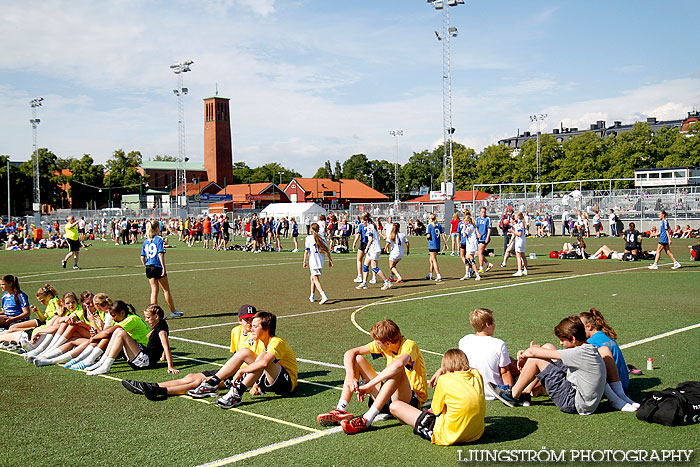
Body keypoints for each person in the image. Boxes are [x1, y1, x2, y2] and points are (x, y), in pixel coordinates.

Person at [123, 304, 263, 400]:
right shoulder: (236, 331)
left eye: (252, 319)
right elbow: (235, 355)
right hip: (231, 371)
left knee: (197, 382)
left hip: (245, 375)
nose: (250, 323)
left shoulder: (258, 334)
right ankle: (152, 385)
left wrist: (255, 383)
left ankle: (160, 391)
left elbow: (261, 363)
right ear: (240, 320)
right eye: (247, 320)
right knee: (190, 376)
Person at [316, 319, 427, 435]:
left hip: (410, 400)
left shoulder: (409, 345)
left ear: (388, 343)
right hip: (389, 395)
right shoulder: (385, 345)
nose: (376, 345)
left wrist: (371, 384)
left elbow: (399, 364)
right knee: (357, 359)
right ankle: (340, 409)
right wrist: (351, 375)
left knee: (397, 369)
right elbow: (350, 353)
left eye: (378, 342)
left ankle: (367, 419)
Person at [489, 315, 607, 415]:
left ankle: (512, 394)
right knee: (548, 346)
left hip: (573, 402)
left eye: (562, 340)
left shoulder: (578, 353)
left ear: (573, 339)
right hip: (583, 396)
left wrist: (523, 356)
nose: (561, 343)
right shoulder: (588, 348)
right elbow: (543, 351)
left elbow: (533, 353)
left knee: (535, 359)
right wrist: (532, 352)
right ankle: (525, 392)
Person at [187, 311, 298, 410]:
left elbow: (264, 363)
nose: (251, 329)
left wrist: (241, 371)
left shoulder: (276, 342)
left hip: (286, 384)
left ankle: (237, 393)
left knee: (262, 357)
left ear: (266, 328)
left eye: (255, 326)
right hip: (270, 379)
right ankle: (211, 383)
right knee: (244, 351)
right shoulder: (261, 342)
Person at [390, 349, 485, 446]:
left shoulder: (444, 380)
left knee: (395, 406)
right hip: (475, 435)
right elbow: (472, 369)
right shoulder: (477, 375)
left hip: (448, 436)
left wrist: (442, 371)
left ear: (446, 368)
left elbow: (435, 410)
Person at [456, 308, 514, 401]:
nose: (494, 325)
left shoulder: (464, 340)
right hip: (494, 393)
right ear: (487, 324)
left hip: (470, 391)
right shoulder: (499, 344)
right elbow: (505, 371)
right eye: (493, 322)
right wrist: (511, 392)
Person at [84, 301, 154, 375]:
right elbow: (107, 332)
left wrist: (93, 338)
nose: (113, 319)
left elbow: (107, 333)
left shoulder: (132, 319)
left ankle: (106, 366)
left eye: (114, 316)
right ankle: (102, 362)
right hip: (137, 357)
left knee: (120, 332)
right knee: (117, 331)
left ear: (122, 313)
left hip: (144, 360)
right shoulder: (123, 319)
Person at [141, 220, 183, 318]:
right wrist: (164, 267)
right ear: (157, 228)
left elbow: (142, 257)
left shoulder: (146, 241)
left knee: (154, 291)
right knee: (166, 290)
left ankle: (154, 314)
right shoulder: (159, 239)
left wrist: (146, 266)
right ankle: (173, 311)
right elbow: (160, 254)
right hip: (157, 266)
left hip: (149, 267)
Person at [0, 284, 58, 350]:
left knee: (13, 329)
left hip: (46, 324)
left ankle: (6, 336)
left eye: (42, 300)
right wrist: (37, 311)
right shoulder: (50, 302)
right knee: (12, 327)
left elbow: (56, 317)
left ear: (49, 296)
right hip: (43, 322)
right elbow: (43, 319)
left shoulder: (54, 302)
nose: (42, 303)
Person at [356, 214, 391, 290]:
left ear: (366, 221)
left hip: (374, 249)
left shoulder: (369, 227)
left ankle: (387, 281)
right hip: (371, 250)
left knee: (374, 268)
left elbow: (371, 239)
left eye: (363, 221)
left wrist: (366, 248)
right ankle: (364, 283)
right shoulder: (371, 226)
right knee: (365, 266)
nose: (362, 223)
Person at [304, 223, 333, 304]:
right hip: (320, 262)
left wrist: (304, 261)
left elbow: (306, 251)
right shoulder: (322, 238)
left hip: (313, 262)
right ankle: (312, 295)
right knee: (312, 278)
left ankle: (323, 296)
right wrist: (330, 260)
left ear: (311, 229)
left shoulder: (309, 238)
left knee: (315, 279)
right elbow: (327, 250)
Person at [425, 213, 447, 282]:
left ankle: (438, 275)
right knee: (431, 260)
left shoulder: (430, 225)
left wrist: (427, 238)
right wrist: (446, 243)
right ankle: (430, 274)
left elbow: (428, 236)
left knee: (434, 260)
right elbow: (443, 234)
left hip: (432, 245)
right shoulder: (439, 225)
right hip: (437, 245)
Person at [458, 214, 480, 281]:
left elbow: (464, 235)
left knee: (471, 259)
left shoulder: (470, 227)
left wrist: (464, 227)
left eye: (465, 221)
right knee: (467, 259)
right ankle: (467, 274)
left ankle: (477, 274)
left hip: (471, 245)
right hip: (470, 245)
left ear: (468, 221)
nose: (464, 223)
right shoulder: (470, 226)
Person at [475, 207, 493, 273]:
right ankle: (488, 264)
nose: (483, 213)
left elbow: (489, 228)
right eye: (482, 212)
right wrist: (478, 233)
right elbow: (476, 227)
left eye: (484, 212)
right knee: (477, 252)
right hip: (479, 237)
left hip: (484, 238)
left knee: (480, 252)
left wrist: (487, 237)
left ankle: (481, 267)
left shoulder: (487, 219)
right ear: (480, 212)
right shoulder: (478, 219)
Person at [510, 212, 528, 276]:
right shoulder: (521, 223)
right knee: (523, 255)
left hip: (519, 241)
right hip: (522, 241)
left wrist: (512, 232)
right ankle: (525, 270)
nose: (514, 217)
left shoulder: (519, 224)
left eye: (515, 216)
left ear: (518, 217)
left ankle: (519, 270)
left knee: (518, 256)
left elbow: (519, 234)